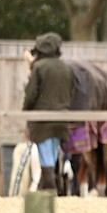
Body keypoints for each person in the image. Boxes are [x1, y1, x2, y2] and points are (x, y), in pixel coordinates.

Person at [23, 33, 74, 191]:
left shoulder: (39, 67)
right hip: (62, 120)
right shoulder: (66, 68)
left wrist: (26, 112)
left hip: (43, 120)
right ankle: (51, 188)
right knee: (52, 155)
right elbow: (71, 92)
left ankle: (50, 190)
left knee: (46, 158)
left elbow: (31, 94)